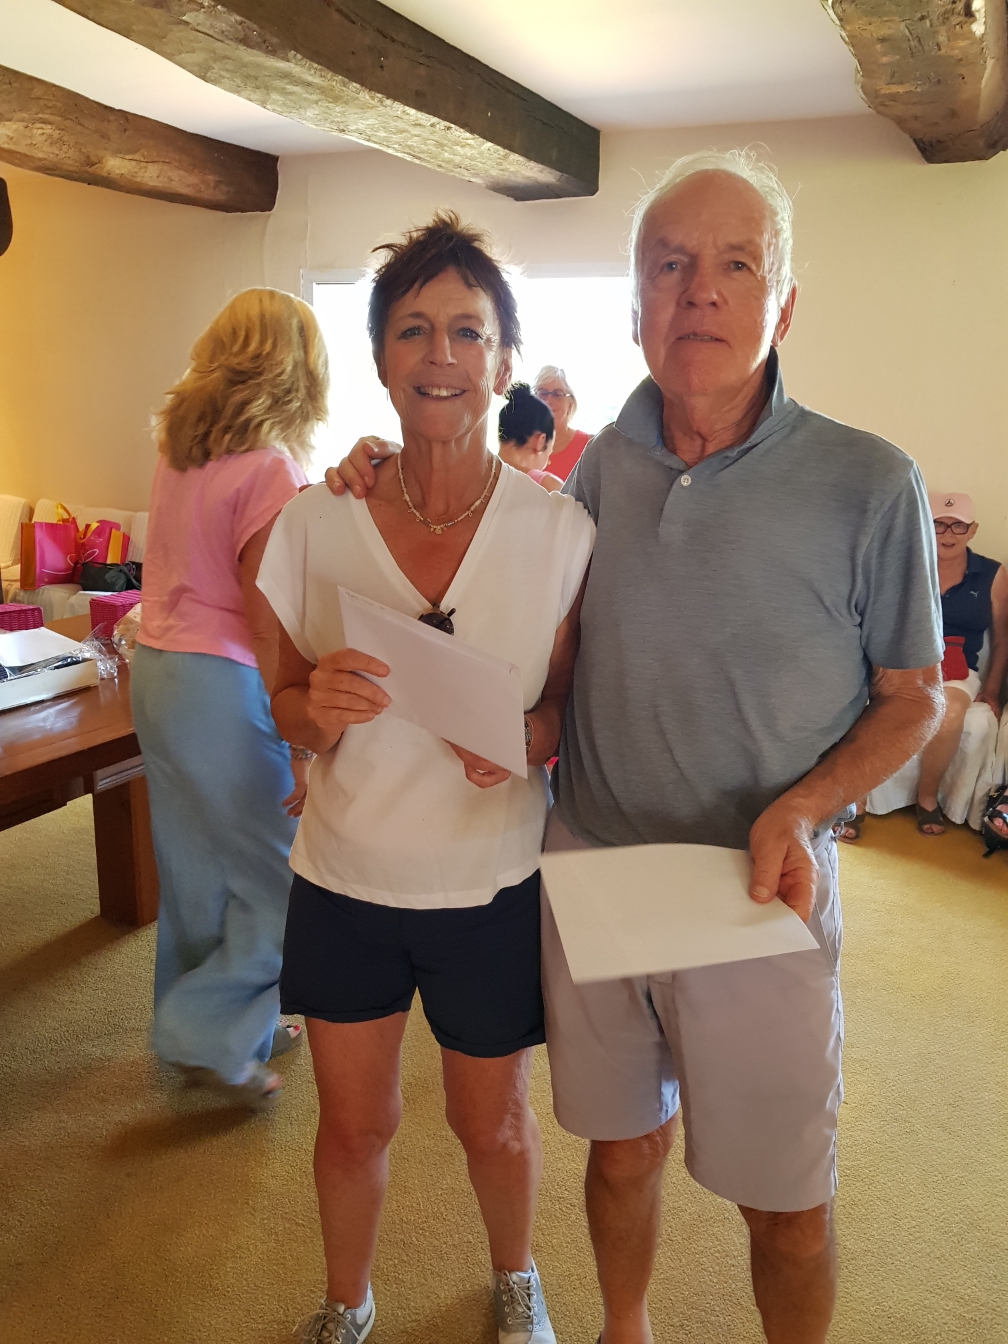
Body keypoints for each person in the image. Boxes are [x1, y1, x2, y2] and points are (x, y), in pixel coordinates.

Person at [329, 150, 945, 1344]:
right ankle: (625, 1328)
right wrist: (375, 466)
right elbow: (520, 596)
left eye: (735, 266)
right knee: (619, 1152)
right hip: (597, 870)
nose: (699, 291)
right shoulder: (598, 468)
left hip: (757, 888)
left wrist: (804, 806)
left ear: (783, 304)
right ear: (635, 308)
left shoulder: (872, 483)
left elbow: (913, 700)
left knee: (789, 1209)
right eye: (669, 266)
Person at [257, 213, 594, 1344]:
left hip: (488, 882)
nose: (440, 354)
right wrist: (314, 710)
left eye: (467, 331)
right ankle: (346, 1301)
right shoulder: (319, 520)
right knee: (353, 1127)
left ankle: (516, 1278)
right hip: (345, 880)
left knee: (491, 1123)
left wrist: (530, 739)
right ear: (380, 357)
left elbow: (567, 711)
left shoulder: (560, 533)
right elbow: (281, 699)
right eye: (412, 330)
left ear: (502, 360)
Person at [131, 288, 329, 1109]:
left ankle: (218, 1023)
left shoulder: (179, 452)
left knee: (196, 867)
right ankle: (207, 1033)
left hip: (157, 670)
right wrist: (299, 740)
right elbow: (266, 617)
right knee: (284, 875)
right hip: (220, 681)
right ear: (298, 367)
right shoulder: (273, 470)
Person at [913, 492, 1007, 835]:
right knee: (870, 706)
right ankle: (856, 803)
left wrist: (992, 690)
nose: (948, 534)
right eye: (939, 524)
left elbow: (1002, 638)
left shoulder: (992, 574)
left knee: (951, 713)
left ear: (973, 530)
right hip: (907, 663)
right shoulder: (909, 565)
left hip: (957, 669)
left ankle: (927, 799)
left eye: (958, 526)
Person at [498, 382, 563, 491]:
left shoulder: (475, 472)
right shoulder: (548, 486)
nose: (547, 462)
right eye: (548, 454)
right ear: (540, 441)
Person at [532, 366, 590, 481]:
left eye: (557, 394)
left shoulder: (589, 446)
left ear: (570, 404)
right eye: (542, 393)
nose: (548, 401)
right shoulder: (520, 445)